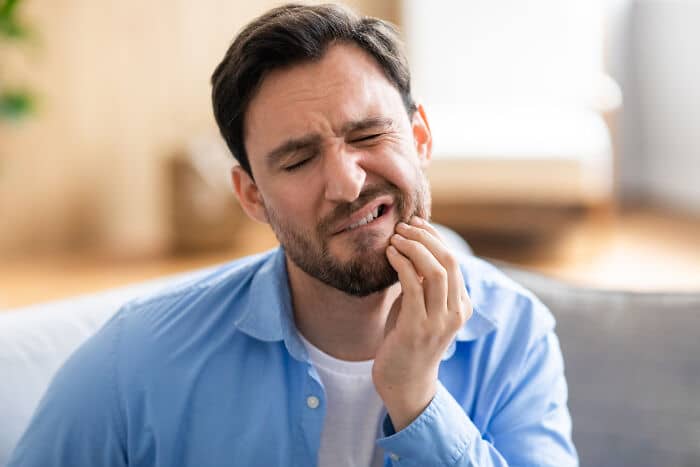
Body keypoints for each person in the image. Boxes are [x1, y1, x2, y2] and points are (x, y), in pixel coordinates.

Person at [7, 4, 578, 466]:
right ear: (251, 195)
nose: (347, 183)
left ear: (420, 138)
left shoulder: (514, 336)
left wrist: (417, 399)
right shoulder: (133, 359)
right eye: (299, 159)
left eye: (369, 135)